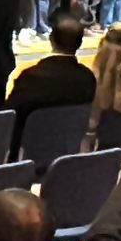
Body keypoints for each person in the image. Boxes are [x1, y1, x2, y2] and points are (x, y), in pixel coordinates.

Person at [7, 11, 98, 153]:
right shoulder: (88, 78)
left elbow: (10, 117)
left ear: (51, 40)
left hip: (29, 153)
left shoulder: (30, 77)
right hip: (70, 153)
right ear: (80, 43)